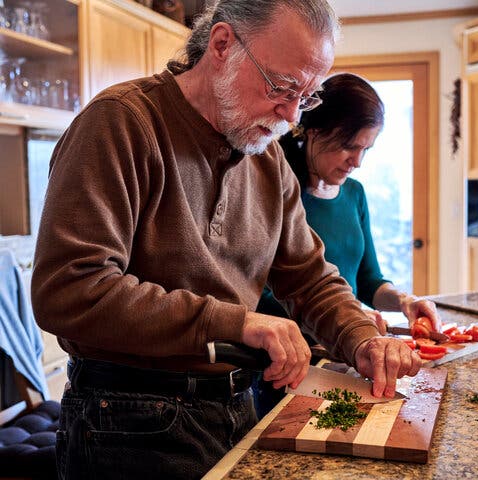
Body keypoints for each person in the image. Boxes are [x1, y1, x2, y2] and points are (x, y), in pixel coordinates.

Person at [31, 1, 421, 478]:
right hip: (127, 421)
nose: (292, 113)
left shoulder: (268, 156)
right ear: (221, 45)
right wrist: (238, 323)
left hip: (237, 408)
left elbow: (310, 278)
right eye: (282, 86)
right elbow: (68, 292)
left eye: (309, 96)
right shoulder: (121, 123)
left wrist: (361, 338)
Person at [254, 73, 440, 417]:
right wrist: (351, 317)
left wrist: (405, 302)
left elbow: (369, 280)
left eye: (366, 149)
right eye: (349, 146)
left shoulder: (354, 194)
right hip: (289, 364)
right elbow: (264, 291)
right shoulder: (275, 189)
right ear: (313, 131)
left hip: (348, 356)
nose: (357, 161)